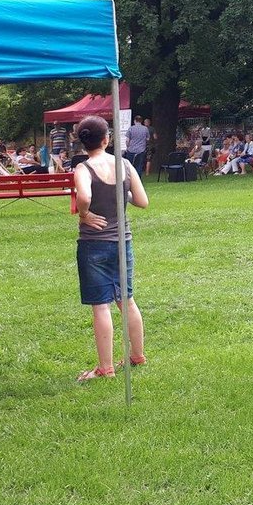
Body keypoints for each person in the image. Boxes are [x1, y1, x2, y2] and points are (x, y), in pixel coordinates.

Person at [73, 116, 148, 381]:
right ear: (107, 139)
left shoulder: (84, 168)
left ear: (83, 142)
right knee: (126, 300)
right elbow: (142, 201)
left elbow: (84, 196)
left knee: (101, 306)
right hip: (122, 242)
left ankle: (106, 368)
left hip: (94, 244)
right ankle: (137, 355)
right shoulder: (125, 164)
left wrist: (84, 214)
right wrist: (121, 192)